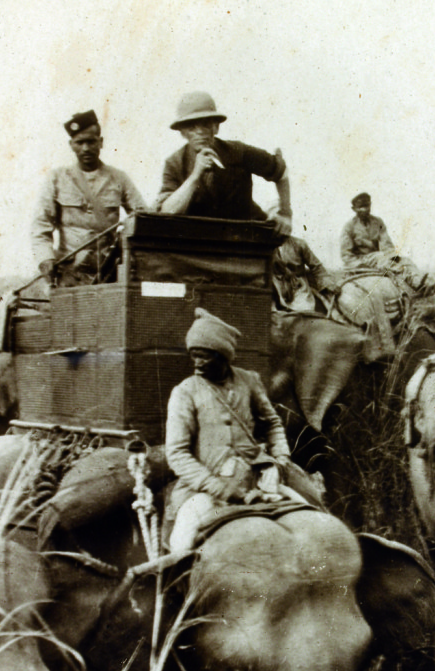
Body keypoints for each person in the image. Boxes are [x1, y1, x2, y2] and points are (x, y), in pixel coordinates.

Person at [165, 308, 295, 551]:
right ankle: (171, 586)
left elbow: (272, 423)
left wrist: (281, 459)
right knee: (182, 541)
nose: (198, 363)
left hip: (258, 478)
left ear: (224, 357)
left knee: (312, 511)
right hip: (204, 486)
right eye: (194, 356)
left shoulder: (249, 381)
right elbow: (177, 454)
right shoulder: (185, 392)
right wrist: (217, 487)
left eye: (205, 356)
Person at [31, 110, 149, 286]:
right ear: (71, 145)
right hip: (68, 273)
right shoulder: (57, 179)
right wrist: (45, 259)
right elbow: (40, 227)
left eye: (91, 141)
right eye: (79, 142)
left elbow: (143, 218)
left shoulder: (119, 178)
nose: (85, 148)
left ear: (100, 143)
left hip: (108, 271)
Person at [155, 92, 292, 235]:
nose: (200, 132)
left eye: (206, 125)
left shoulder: (238, 152)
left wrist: (286, 214)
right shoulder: (174, 163)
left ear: (216, 128)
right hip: (197, 244)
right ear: (183, 133)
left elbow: (281, 172)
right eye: (191, 127)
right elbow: (166, 212)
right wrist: (195, 175)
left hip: (245, 242)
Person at [340, 192, 435, 296]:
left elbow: (386, 242)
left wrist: (393, 256)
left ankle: (423, 282)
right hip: (362, 260)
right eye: (361, 207)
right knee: (380, 257)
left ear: (370, 205)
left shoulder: (377, 222)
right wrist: (360, 265)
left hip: (378, 258)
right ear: (354, 209)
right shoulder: (349, 227)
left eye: (367, 206)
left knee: (405, 260)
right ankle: (415, 283)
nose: (365, 210)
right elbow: (346, 255)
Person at [271, 235, 340, 315]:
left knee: (304, 313)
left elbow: (316, 266)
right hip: (274, 285)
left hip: (298, 286)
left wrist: (328, 283)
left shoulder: (299, 244)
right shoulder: (263, 244)